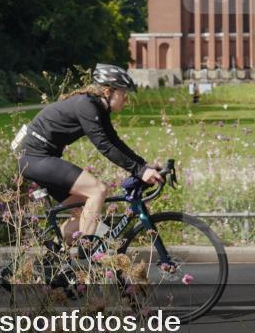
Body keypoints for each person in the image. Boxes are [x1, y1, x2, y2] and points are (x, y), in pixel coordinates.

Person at [13, 64, 162, 250]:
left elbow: (114, 141)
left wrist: (143, 165)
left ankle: (57, 257)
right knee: (97, 190)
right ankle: (87, 259)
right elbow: (105, 146)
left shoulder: (98, 107)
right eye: (123, 94)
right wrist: (140, 171)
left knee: (84, 212)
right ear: (108, 91)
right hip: (35, 157)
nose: (126, 99)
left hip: (39, 158)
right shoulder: (87, 106)